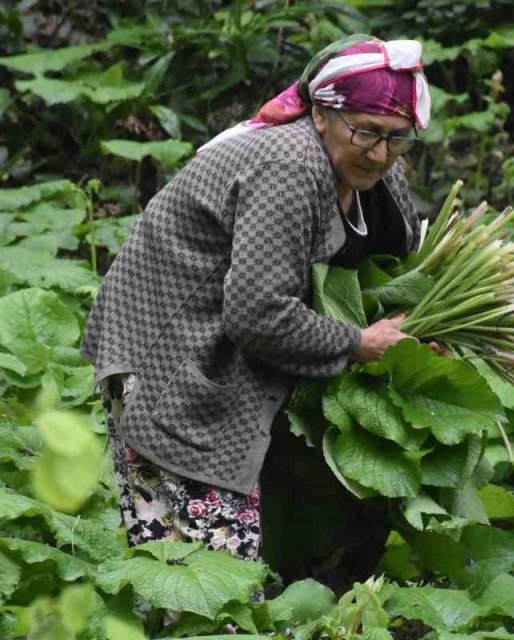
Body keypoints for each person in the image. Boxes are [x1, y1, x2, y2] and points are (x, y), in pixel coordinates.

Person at [80, 35, 432, 562]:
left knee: (259, 542)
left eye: (398, 138)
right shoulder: (287, 167)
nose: (380, 153)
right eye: (366, 133)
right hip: (170, 354)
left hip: (235, 349)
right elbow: (259, 312)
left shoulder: (374, 168)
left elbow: (399, 253)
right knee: (200, 561)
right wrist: (358, 342)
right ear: (319, 116)